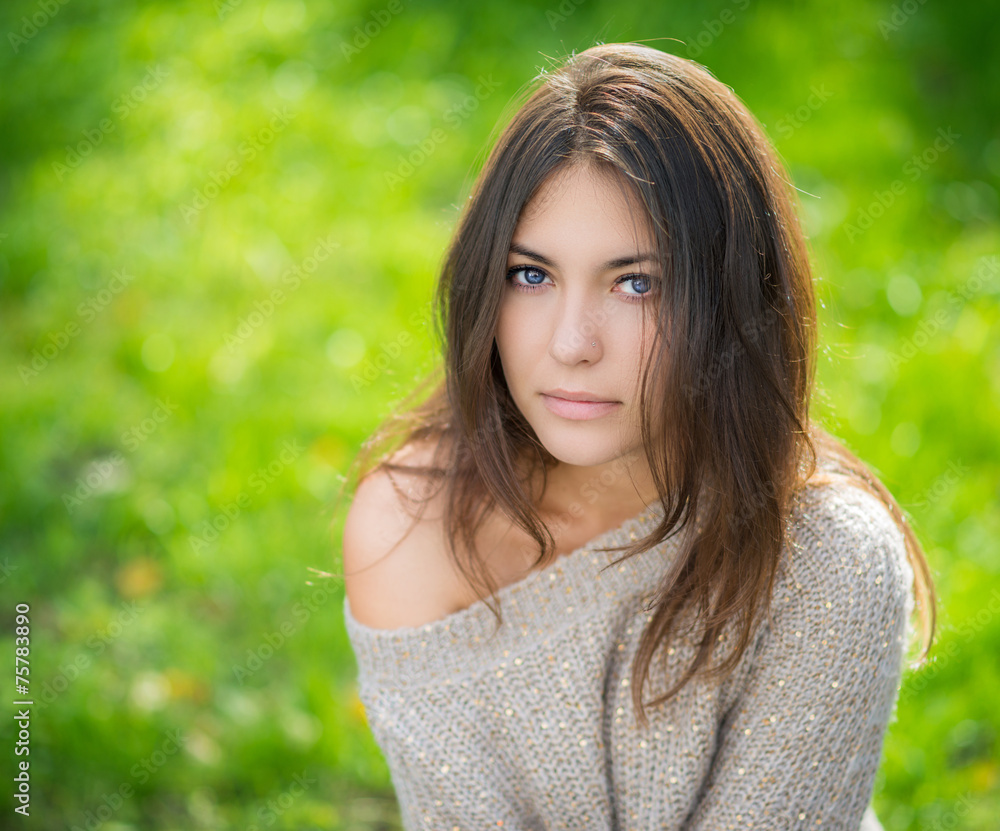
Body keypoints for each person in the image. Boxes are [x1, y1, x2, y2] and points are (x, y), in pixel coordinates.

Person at [334, 42, 937, 830]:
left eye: (637, 283)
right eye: (531, 275)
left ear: (732, 300)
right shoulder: (412, 530)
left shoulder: (826, 557)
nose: (573, 342)